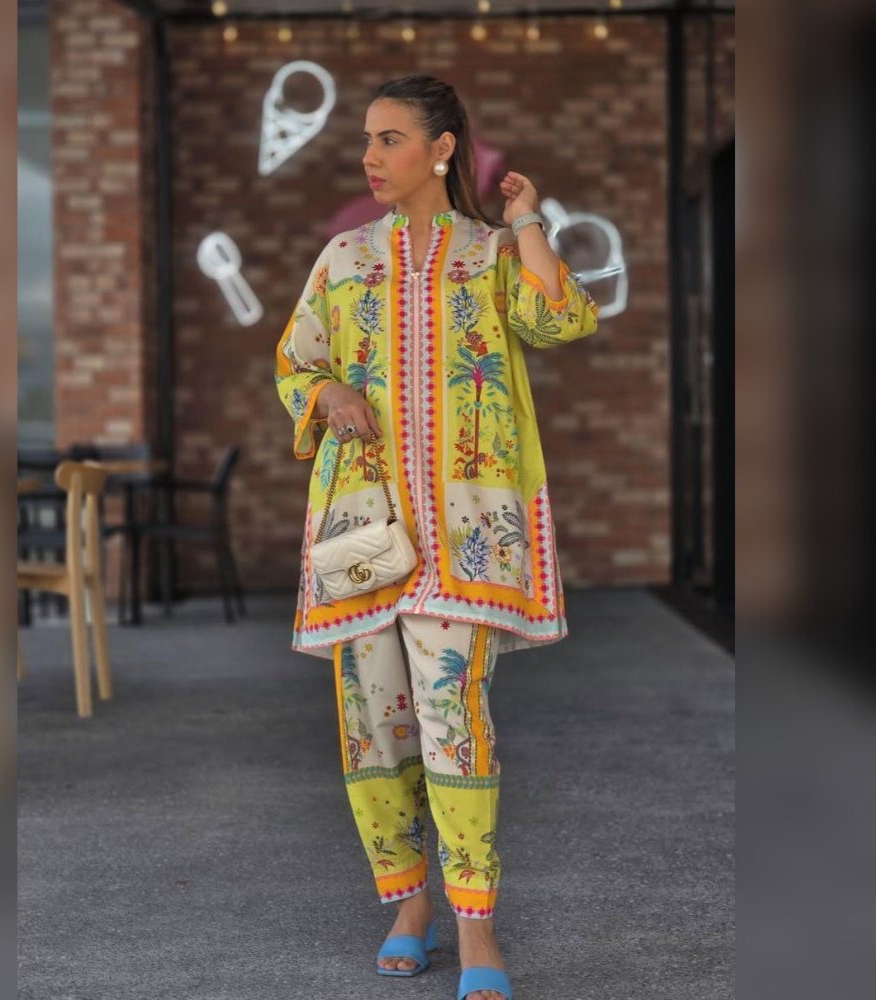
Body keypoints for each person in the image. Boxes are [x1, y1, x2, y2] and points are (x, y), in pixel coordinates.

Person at [275, 74, 599, 1000]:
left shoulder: (494, 255)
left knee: (455, 724)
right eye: (366, 141)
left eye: (389, 139)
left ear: (442, 148)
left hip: (470, 531)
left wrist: (530, 220)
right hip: (363, 532)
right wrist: (326, 392)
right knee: (376, 727)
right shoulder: (342, 258)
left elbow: (562, 316)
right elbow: (297, 362)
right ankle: (408, 902)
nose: (370, 157)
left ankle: (476, 926)